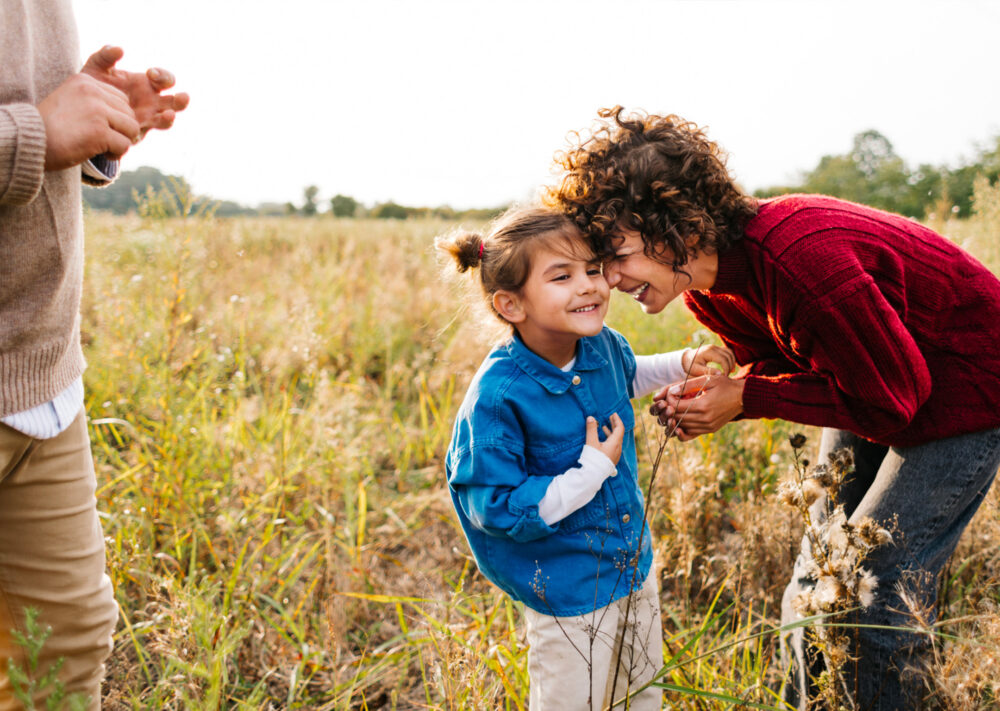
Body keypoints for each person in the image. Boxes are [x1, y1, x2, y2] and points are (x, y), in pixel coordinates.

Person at [546, 106, 1000, 710]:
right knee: (816, 572)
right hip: (877, 379)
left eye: (618, 255)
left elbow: (895, 403)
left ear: (675, 226)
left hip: (966, 392)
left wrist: (746, 397)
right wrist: (728, 364)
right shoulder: (709, 288)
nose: (609, 280)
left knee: (878, 589)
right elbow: (791, 346)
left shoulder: (800, 257)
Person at [438, 206, 734, 710]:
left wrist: (683, 362)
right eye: (562, 276)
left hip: (630, 563)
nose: (589, 286)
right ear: (511, 304)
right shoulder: (498, 398)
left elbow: (627, 372)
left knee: (642, 695)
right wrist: (592, 468)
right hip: (567, 591)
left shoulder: (600, 347)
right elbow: (500, 509)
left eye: (593, 270)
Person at [1, 2, 188, 707]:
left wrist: (94, 121)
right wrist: (33, 133)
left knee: (67, 645)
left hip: (41, 377)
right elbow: (27, 131)